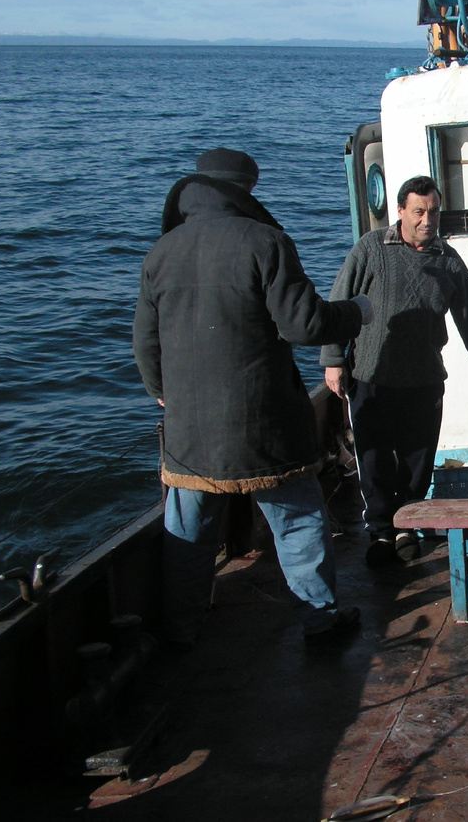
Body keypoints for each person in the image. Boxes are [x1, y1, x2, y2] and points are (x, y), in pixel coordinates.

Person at [133, 148, 372, 650]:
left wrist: (163, 394)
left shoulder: (161, 252)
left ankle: (183, 632)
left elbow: (145, 345)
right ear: (246, 190)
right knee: (297, 523)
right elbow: (305, 325)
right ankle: (321, 623)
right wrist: (357, 311)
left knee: (188, 536)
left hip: (188, 432)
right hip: (264, 426)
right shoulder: (265, 241)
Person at [321, 175, 468, 567]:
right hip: (371, 377)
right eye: (418, 211)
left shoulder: (447, 260)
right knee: (376, 463)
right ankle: (381, 534)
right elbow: (339, 304)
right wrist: (333, 360)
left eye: (433, 211)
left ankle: (407, 527)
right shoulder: (370, 249)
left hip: (424, 381)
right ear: (400, 211)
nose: (426, 220)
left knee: (417, 465)